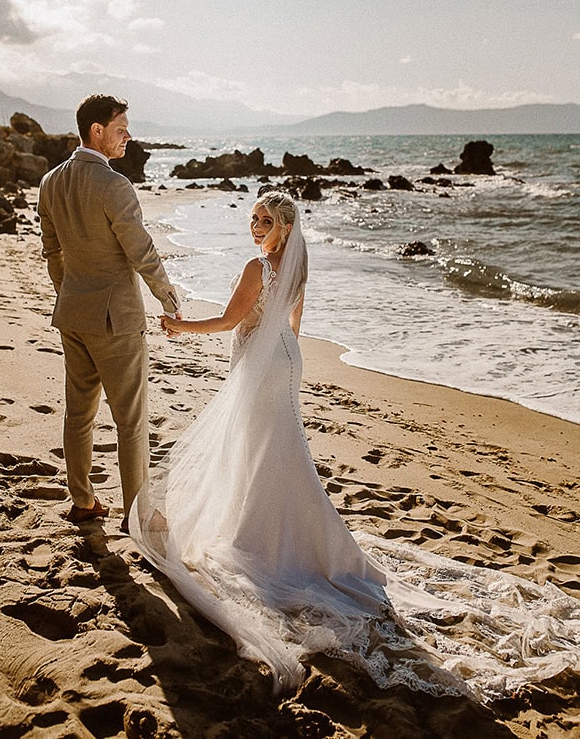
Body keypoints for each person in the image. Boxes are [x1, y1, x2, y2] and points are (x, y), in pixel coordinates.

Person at [130, 190, 579, 699]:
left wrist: (180, 326)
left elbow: (230, 321)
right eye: (253, 218)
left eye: (265, 220)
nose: (255, 227)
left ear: (283, 227)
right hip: (286, 361)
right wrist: (280, 360)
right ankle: (289, 532)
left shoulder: (257, 267)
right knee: (278, 450)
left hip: (263, 364)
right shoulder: (296, 268)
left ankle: (262, 537)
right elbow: (295, 325)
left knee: (259, 449)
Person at [38, 94, 180, 533]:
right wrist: (168, 298)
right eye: (121, 128)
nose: (127, 135)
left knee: (78, 414)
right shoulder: (114, 184)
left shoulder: (50, 182)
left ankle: (83, 501)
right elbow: (141, 250)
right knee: (131, 421)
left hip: (73, 315)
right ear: (95, 131)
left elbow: (52, 251)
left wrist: (69, 293)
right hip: (116, 320)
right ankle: (136, 514)